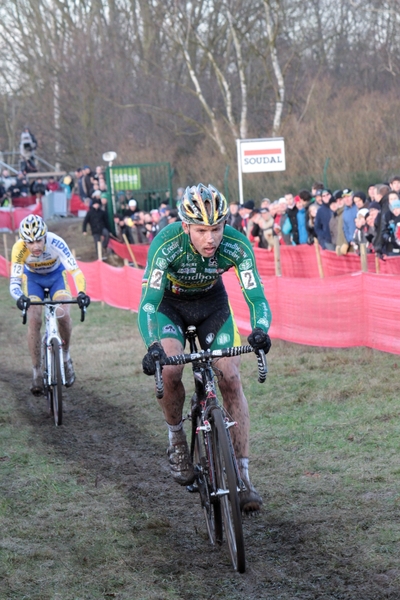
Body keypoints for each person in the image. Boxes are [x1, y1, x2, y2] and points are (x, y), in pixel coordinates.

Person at [138, 183, 272, 514]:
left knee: (230, 377)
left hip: (213, 306)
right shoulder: (166, 243)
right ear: (186, 227)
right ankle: (177, 441)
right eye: (201, 230)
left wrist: (260, 330)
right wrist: (153, 345)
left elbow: (255, 297)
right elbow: (149, 303)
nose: (210, 238)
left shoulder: (236, 244)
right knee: (170, 370)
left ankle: (242, 476)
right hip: (171, 307)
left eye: (216, 228)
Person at [9, 215, 90, 395]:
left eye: (38, 240)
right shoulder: (18, 249)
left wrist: (82, 293)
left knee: (63, 313)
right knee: (34, 319)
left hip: (56, 278)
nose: (35, 246)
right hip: (33, 281)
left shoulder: (56, 242)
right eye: (30, 242)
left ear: (45, 235)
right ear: (24, 241)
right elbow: (14, 283)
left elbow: (75, 272)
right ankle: (37, 371)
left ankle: (66, 358)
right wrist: (20, 297)